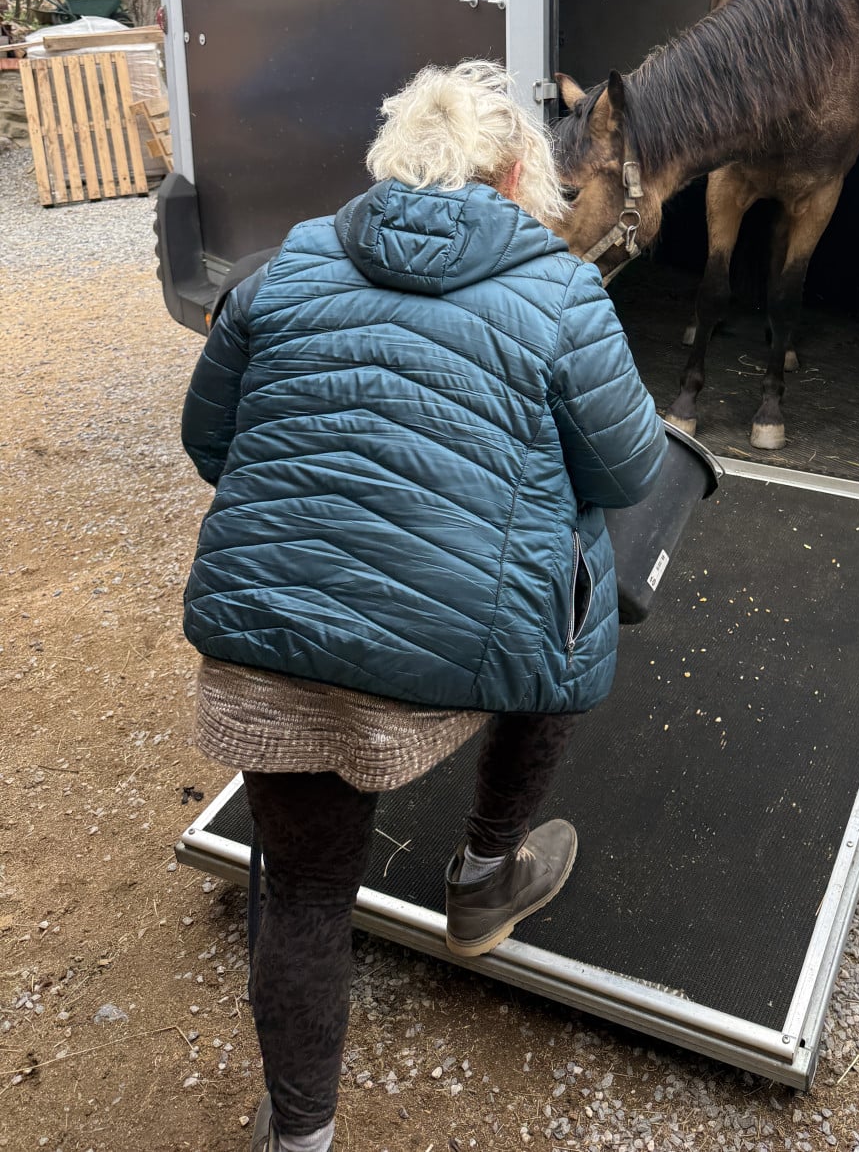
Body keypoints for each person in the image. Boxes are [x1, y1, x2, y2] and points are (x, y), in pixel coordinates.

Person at [179, 60, 666, 1152]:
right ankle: (487, 873)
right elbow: (629, 472)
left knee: (304, 891)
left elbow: (210, 442)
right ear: (511, 174)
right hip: (450, 661)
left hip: (273, 649)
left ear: (397, 164)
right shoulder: (561, 292)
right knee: (576, 577)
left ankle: (297, 1134)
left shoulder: (282, 268)